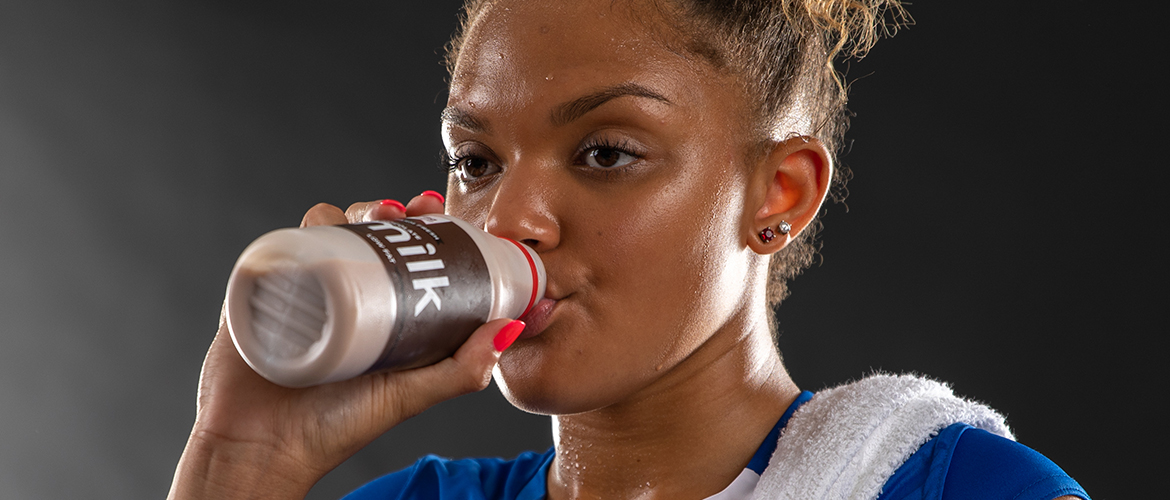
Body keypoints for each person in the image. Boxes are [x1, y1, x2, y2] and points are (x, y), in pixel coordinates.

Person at [167, 1, 1090, 499]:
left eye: (606, 152)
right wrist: (240, 462)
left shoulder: (948, 491)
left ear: (782, 193)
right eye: (477, 160)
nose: (510, 217)